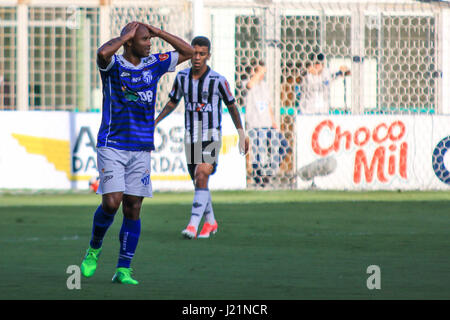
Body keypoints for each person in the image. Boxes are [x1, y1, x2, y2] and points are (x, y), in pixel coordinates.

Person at [79, 21, 194, 285]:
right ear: (130, 41)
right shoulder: (113, 66)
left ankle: (123, 269)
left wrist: (160, 32)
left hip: (141, 147)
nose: (149, 43)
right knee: (112, 202)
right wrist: (126, 36)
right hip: (112, 145)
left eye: (149, 39)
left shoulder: (154, 63)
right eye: (145, 39)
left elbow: (187, 53)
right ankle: (93, 250)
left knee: (134, 207)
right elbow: (101, 53)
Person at [155, 36, 249, 239]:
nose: (197, 57)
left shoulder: (218, 80)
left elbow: (232, 106)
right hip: (191, 134)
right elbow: (173, 102)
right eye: (194, 53)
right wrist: (155, 121)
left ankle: (192, 226)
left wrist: (241, 132)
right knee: (199, 181)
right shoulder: (181, 78)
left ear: (208, 56)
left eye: (202, 54)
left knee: (202, 173)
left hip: (211, 134)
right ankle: (210, 222)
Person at [245, 60, 291, 188]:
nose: (263, 74)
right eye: (261, 71)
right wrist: (258, 72)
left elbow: (268, 104)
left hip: (268, 124)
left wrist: (273, 121)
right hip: (255, 124)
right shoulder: (249, 83)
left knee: (284, 146)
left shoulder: (265, 85)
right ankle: (259, 180)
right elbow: (249, 85)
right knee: (258, 154)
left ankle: (268, 173)